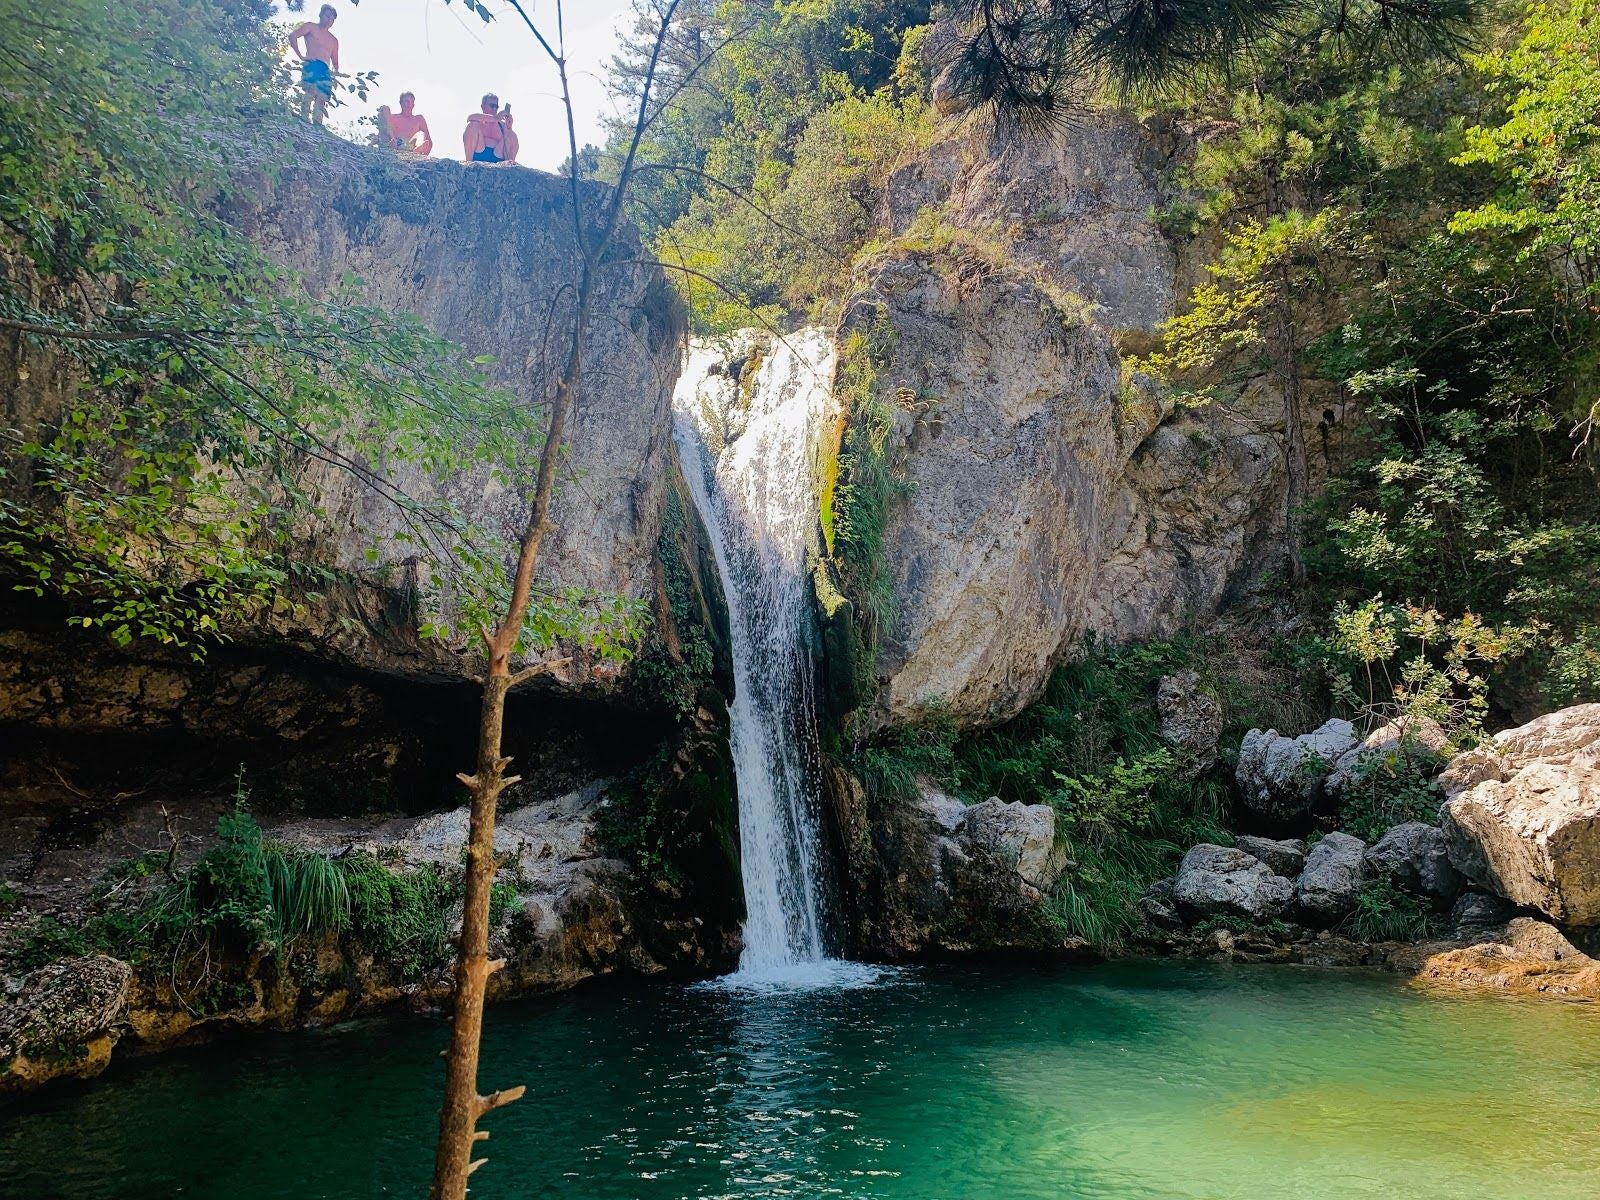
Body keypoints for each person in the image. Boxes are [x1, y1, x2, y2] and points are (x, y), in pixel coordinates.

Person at [289, 5, 340, 125]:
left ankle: (318, 124)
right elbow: (292, 36)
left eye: (332, 19)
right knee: (310, 91)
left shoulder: (333, 40)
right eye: (327, 16)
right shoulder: (311, 27)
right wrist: (301, 56)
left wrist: (335, 75)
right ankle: (304, 119)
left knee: (322, 98)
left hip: (325, 69)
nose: (329, 20)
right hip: (312, 63)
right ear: (321, 15)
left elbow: (335, 61)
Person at [463, 94, 518, 165]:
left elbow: (511, 141)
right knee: (471, 125)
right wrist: (496, 118)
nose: (494, 109)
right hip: (478, 154)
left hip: (498, 157)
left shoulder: (502, 125)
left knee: (511, 134)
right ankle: (468, 164)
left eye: (496, 107)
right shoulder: (476, 119)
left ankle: (509, 168)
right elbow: (470, 118)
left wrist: (509, 127)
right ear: (482, 107)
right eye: (492, 106)